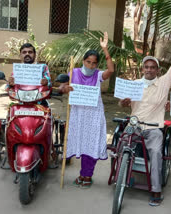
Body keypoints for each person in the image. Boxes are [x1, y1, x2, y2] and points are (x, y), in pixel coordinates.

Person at [118, 23, 171, 206]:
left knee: (155, 152)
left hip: (154, 128)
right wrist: (123, 103)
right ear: (142, 69)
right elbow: (123, 102)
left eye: (152, 67)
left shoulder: (163, 83)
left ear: (157, 70)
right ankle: (123, 178)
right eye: (146, 67)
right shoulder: (135, 83)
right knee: (121, 146)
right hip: (135, 125)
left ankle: (155, 190)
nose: (149, 69)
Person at [59, 32, 114, 188]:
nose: (91, 65)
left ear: (97, 64)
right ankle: (82, 173)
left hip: (94, 115)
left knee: (92, 144)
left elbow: (110, 69)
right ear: (83, 61)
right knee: (80, 142)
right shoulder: (74, 73)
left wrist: (105, 50)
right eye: (88, 62)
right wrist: (65, 88)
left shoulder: (98, 75)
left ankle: (87, 175)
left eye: (94, 63)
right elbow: (62, 87)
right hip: (77, 114)